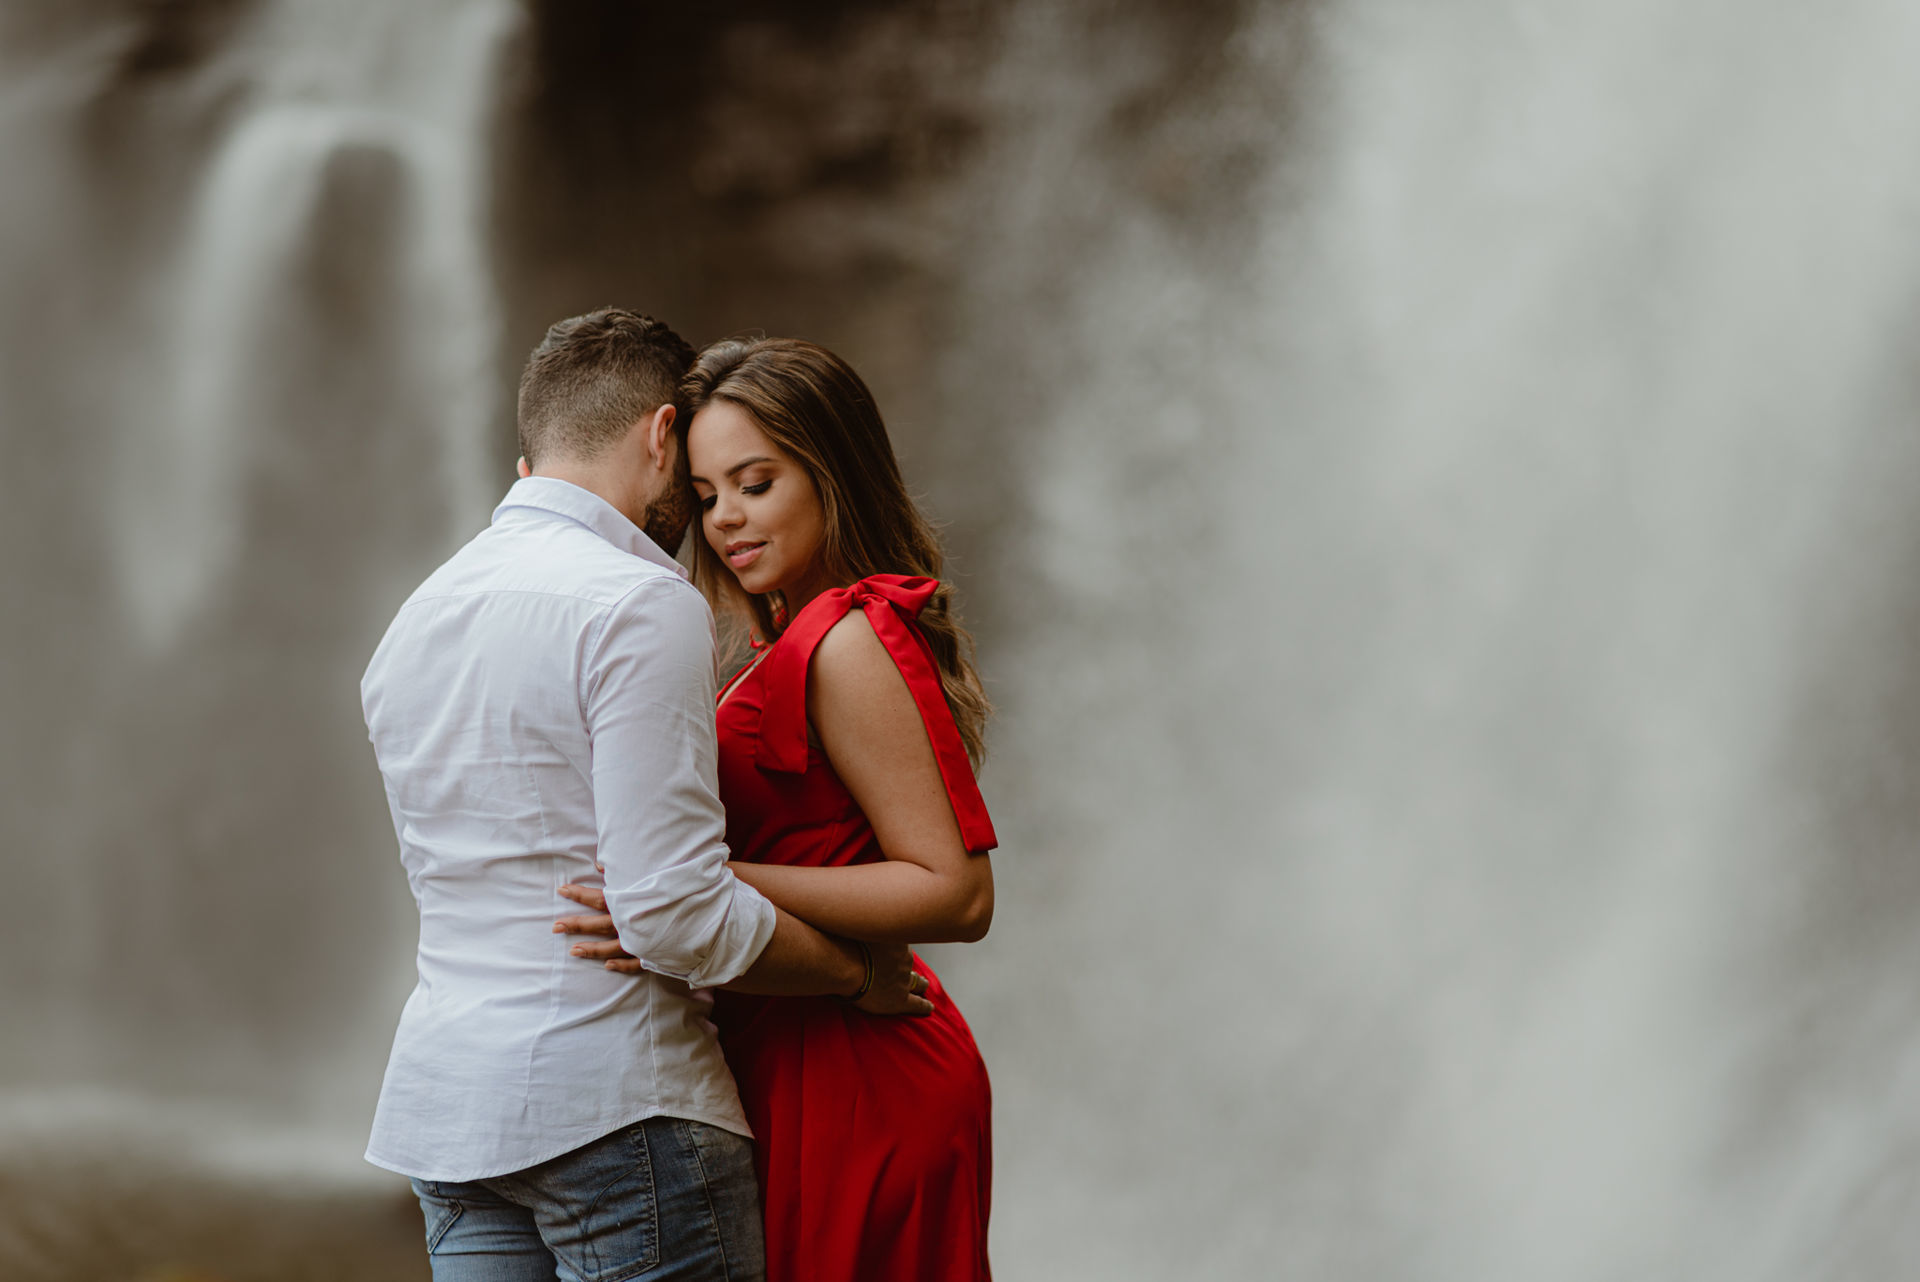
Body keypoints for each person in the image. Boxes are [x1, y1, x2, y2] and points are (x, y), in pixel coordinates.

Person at [360, 309, 929, 1282]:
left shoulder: (415, 618)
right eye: (699, 485)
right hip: (618, 1106)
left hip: (450, 1120)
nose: (708, 517)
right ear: (663, 434)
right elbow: (672, 909)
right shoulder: (637, 599)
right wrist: (853, 975)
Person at [557, 336, 999, 1282]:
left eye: (755, 483)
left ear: (830, 472)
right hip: (797, 1045)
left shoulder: (849, 638)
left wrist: (702, 884)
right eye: (706, 494)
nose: (725, 519)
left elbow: (957, 894)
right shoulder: (787, 639)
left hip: (861, 1074)